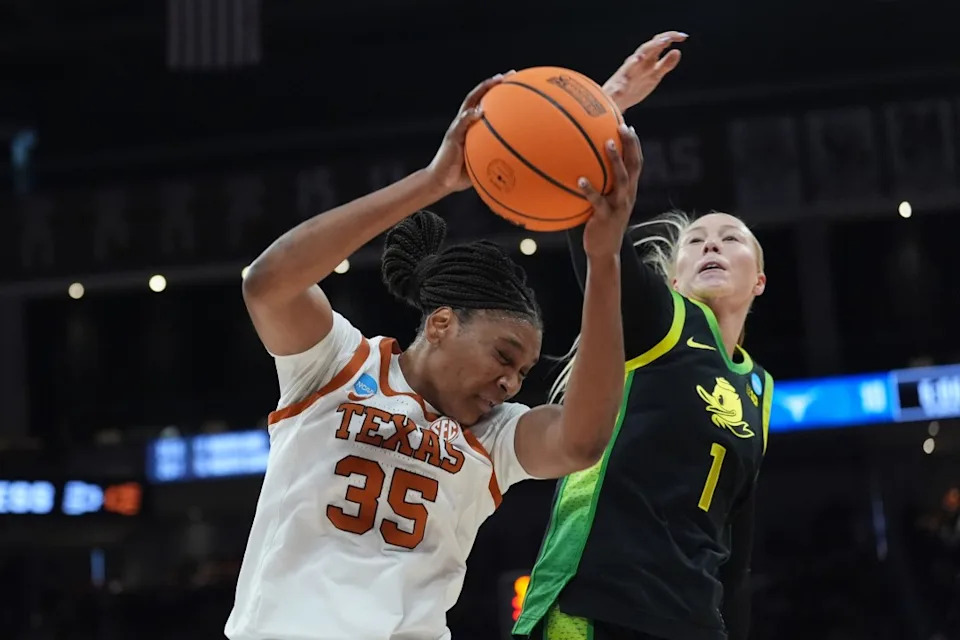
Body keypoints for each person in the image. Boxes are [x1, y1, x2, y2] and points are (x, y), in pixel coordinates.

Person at [225, 72, 643, 640]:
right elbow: (266, 283)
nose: (511, 383)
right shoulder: (338, 364)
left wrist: (603, 262)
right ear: (442, 323)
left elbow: (582, 440)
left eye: (522, 372)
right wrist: (432, 181)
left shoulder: (496, 438)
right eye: (503, 355)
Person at [513, 34, 774, 640]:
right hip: (595, 608)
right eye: (697, 240)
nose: (712, 242)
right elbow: (596, 237)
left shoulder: (759, 387)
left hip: (693, 622)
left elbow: (737, 549)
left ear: (758, 281)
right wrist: (607, 105)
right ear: (674, 276)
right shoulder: (661, 323)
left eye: (730, 237)